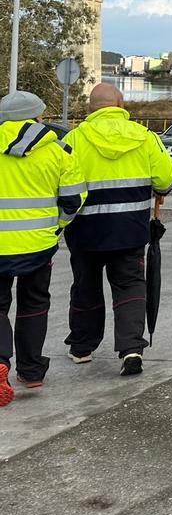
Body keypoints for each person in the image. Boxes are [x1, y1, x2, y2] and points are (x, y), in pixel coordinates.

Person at [63, 84, 172, 376]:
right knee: (130, 286)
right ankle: (131, 349)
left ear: (90, 109)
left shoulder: (74, 139)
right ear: (121, 103)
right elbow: (165, 179)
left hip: (85, 231)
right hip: (130, 229)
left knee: (85, 287)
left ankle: (82, 348)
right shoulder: (145, 137)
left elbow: (62, 184)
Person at [0, 91, 86, 404]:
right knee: (34, 303)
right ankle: (31, 371)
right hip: (38, 245)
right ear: (37, 117)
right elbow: (73, 200)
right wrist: (56, 227)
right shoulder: (59, 150)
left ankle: (0, 362)